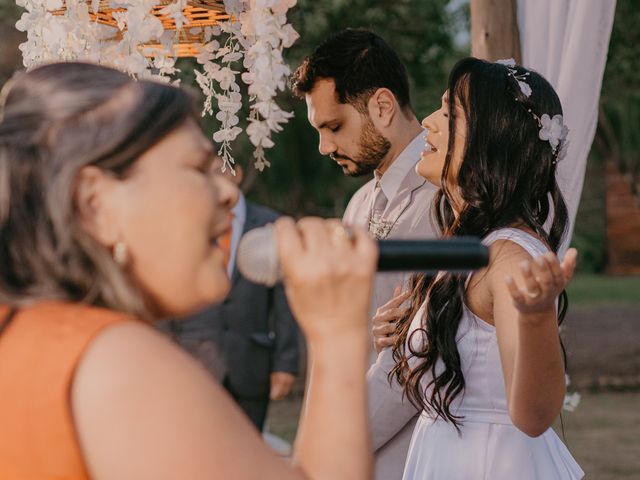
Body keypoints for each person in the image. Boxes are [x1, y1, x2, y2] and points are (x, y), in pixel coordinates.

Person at [0, 62, 377, 480]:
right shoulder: (118, 363)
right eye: (199, 169)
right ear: (96, 204)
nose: (228, 194)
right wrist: (337, 336)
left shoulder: (25, 335)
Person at [369, 57, 584, 479]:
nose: (429, 122)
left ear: (492, 139)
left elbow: (533, 414)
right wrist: (405, 337)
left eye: (449, 113)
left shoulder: (510, 259)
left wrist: (537, 316)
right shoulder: (474, 244)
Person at [292, 28, 438, 480]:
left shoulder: (442, 200)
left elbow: (420, 355)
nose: (324, 147)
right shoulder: (358, 204)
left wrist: (337, 442)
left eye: (334, 127)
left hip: (407, 450)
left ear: (382, 106)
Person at [160, 159, 299, 431]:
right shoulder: (186, 224)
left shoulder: (272, 226)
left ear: (236, 174)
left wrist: (286, 364)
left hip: (250, 363)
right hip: (194, 359)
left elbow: (285, 302)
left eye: (218, 171)